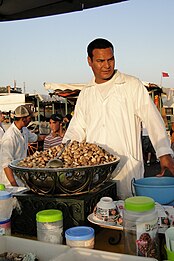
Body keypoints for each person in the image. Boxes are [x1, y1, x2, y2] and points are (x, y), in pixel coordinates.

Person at [63, 38, 174, 199]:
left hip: (127, 169)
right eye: (100, 61)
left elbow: (153, 119)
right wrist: (63, 153)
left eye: (110, 59)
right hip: (96, 172)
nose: (107, 65)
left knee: (131, 214)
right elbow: (77, 128)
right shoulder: (86, 93)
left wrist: (164, 152)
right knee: (100, 212)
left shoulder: (131, 85)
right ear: (89, 61)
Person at [0, 105, 45, 187]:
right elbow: (6, 164)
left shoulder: (24, 130)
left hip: (21, 175)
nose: (31, 120)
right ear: (23, 119)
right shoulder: (10, 137)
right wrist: (14, 185)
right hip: (10, 180)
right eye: (29, 118)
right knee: (14, 199)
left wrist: (49, 137)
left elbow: (35, 138)